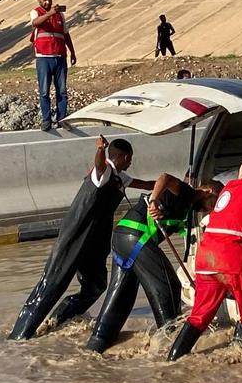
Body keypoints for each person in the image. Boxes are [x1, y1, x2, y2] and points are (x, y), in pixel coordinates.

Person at [8, 137, 155, 340]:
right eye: (130, 159)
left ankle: (59, 319)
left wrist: (175, 184)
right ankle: (20, 335)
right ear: (125, 156)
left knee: (96, 285)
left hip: (95, 242)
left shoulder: (121, 178)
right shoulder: (102, 173)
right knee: (52, 283)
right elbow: (99, 166)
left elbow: (148, 184)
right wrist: (100, 150)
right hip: (75, 237)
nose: (131, 163)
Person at [85, 174, 222, 353]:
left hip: (122, 238)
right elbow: (164, 178)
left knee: (122, 295)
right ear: (207, 191)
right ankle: (169, 344)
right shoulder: (186, 192)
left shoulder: (185, 206)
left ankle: (98, 343)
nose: (209, 210)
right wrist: (154, 201)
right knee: (169, 285)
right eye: (212, 204)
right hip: (136, 237)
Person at [167, 158, 242, 361]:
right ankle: (239, 359)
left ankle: (173, 360)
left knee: (200, 315)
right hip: (230, 259)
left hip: (206, 258)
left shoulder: (228, 191)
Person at [30, 0, 77, 131]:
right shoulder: (36, 12)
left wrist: (72, 52)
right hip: (44, 59)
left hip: (60, 57)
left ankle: (62, 119)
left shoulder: (60, 16)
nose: (47, 2)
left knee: (62, 90)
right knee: (44, 91)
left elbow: (66, 34)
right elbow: (36, 23)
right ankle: (46, 120)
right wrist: (50, 13)